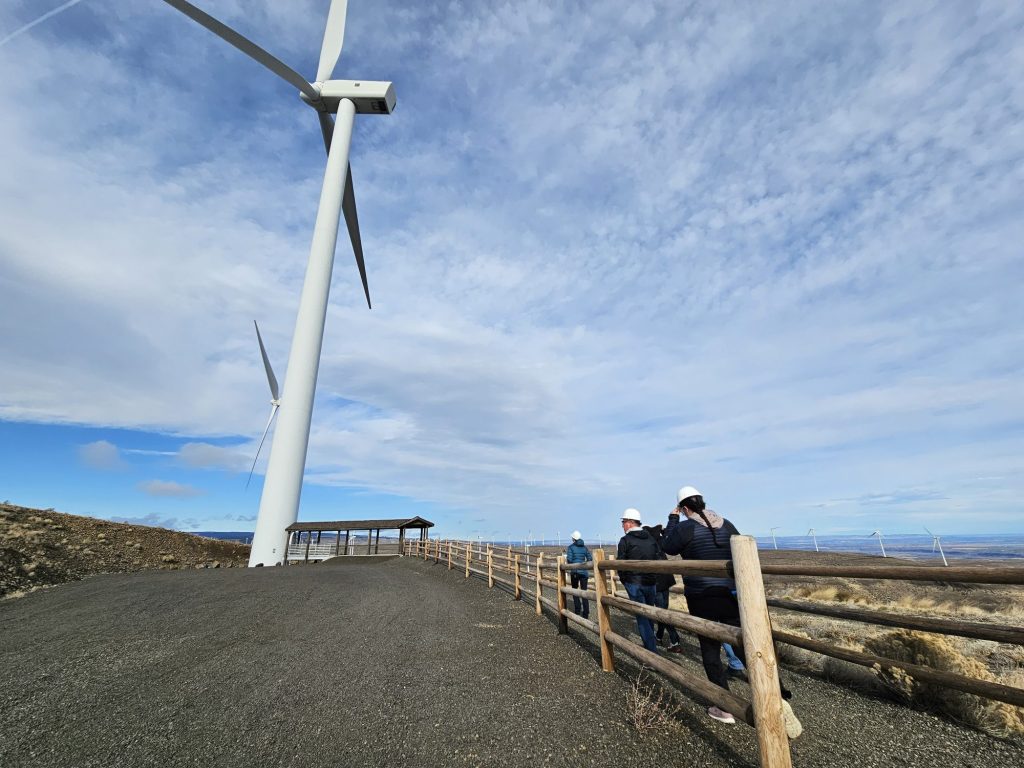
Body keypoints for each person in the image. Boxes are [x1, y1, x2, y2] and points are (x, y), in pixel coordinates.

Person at [662, 485, 802, 737]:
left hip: (701, 595)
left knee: (710, 647)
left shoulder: (685, 526)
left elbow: (668, 547)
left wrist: (672, 519)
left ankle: (724, 707)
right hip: (730, 593)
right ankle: (777, 696)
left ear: (684, 508)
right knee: (743, 644)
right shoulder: (726, 524)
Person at [616, 508, 660, 653]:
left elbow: (620, 564)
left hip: (634, 583)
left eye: (623, 522)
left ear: (629, 522)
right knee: (649, 614)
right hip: (651, 582)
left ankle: (651, 653)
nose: (622, 525)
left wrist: (625, 581)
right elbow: (657, 558)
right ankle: (651, 644)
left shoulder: (625, 540)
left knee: (641, 617)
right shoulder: (650, 538)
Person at [643, 523, 683, 653]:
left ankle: (675, 640)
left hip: (657, 582)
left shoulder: (648, 544)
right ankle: (659, 636)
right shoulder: (660, 541)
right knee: (663, 610)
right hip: (665, 580)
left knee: (662, 613)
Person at [565, 531, 592, 618]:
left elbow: (569, 560)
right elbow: (590, 559)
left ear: (573, 538)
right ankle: (586, 613)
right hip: (584, 573)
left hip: (575, 572)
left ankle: (577, 610)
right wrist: (583, 565)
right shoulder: (585, 547)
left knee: (575, 591)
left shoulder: (570, 547)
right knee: (584, 592)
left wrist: (574, 564)